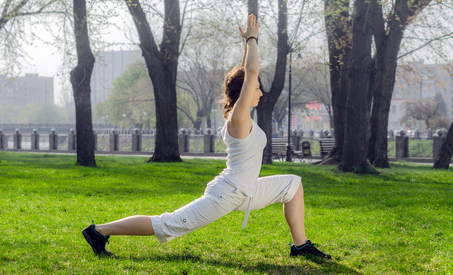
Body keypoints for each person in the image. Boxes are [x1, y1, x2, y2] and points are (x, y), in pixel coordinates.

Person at [82, 14, 331, 260]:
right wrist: (253, 39)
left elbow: (247, 72)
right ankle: (99, 231)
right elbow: (252, 72)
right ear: (244, 92)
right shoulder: (238, 118)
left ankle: (300, 246)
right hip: (228, 193)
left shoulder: (242, 115)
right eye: (257, 88)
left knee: (293, 185)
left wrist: (248, 44)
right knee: (169, 224)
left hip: (249, 190)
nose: (261, 93)